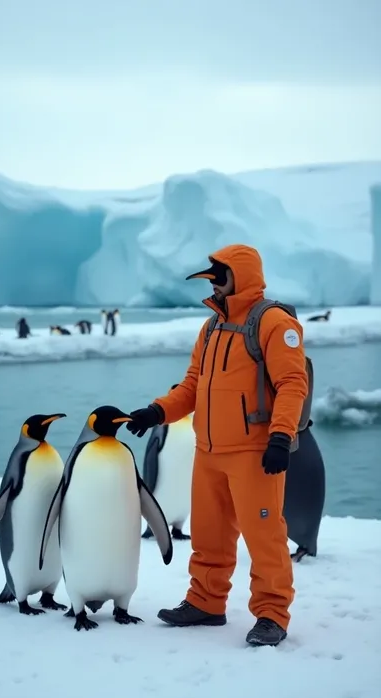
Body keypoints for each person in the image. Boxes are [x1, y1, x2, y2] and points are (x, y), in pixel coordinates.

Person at [127, 244, 308, 647]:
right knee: (208, 536)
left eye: (218, 271)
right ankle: (207, 602)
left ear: (238, 275)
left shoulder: (274, 323)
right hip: (208, 450)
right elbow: (192, 384)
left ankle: (272, 614)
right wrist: (157, 412)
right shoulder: (211, 327)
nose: (212, 278)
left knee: (264, 538)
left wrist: (281, 436)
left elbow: (292, 385)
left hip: (254, 453)